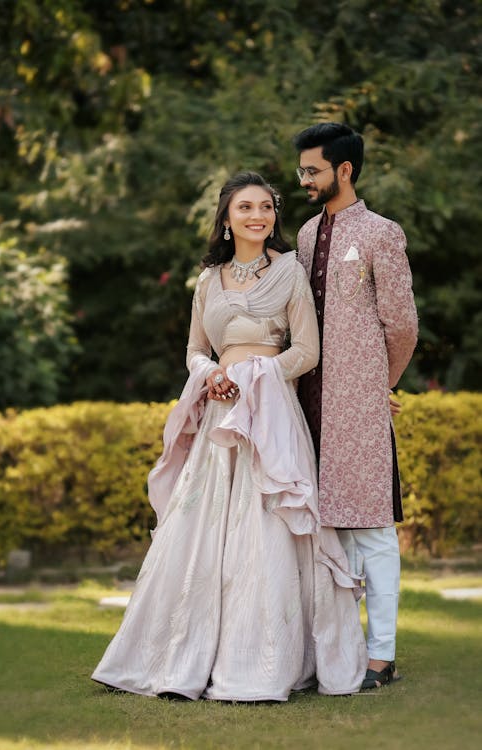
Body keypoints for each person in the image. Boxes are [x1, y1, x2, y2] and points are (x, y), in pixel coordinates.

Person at [92, 171, 367, 701]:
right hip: (221, 416)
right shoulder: (208, 281)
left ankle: (262, 663)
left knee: (266, 528)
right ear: (226, 218)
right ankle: (180, 655)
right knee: (202, 528)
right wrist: (210, 374)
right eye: (246, 208)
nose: (258, 216)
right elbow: (196, 349)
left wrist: (255, 375)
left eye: (266, 207)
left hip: (269, 414)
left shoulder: (290, 272)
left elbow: (307, 352)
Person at [293, 123, 418, 689]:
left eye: (313, 170)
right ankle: (337, 653)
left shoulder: (381, 233)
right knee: (326, 532)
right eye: (302, 171)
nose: (305, 180)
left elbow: (403, 326)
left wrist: (378, 385)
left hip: (358, 405)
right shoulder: (302, 235)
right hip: (306, 405)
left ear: (344, 170)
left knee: (370, 530)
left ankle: (381, 656)